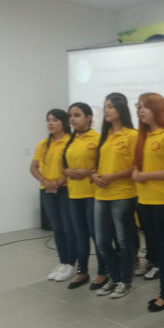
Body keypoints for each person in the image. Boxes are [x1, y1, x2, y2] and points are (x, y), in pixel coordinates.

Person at [132, 93, 164, 311]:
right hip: (144, 200)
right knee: (154, 246)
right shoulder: (142, 136)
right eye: (139, 107)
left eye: (145, 107)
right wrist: (136, 172)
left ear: (157, 109)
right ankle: (163, 289)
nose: (141, 111)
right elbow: (138, 165)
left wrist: (147, 176)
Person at [91, 93, 138, 299]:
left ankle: (126, 281)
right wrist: (94, 175)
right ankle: (114, 277)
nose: (106, 110)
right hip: (101, 194)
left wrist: (112, 176)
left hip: (123, 194)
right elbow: (97, 163)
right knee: (101, 241)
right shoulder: (105, 135)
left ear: (120, 108)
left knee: (123, 240)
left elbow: (136, 167)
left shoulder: (132, 135)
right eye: (105, 106)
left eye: (110, 106)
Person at [62, 102, 109, 290]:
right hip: (74, 194)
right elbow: (63, 166)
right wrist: (67, 171)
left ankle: (103, 272)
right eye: (70, 116)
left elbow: (103, 166)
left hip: (93, 194)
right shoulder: (70, 140)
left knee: (96, 235)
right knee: (80, 234)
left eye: (77, 115)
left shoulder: (98, 139)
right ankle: (82, 271)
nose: (72, 119)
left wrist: (88, 172)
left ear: (88, 117)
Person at [30, 109, 77, 282]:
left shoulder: (70, 141)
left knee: (68, 228)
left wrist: (58, 182)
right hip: (47, 190)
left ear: (63, 122)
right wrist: (45, 181)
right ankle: (63, 262)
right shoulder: (43, 144)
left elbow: (73, 166)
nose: (50, 123)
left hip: (65, 189)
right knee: (57, 228)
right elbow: (33, 167)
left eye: (55, 120)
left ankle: (71, 264)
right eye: (48, 120)